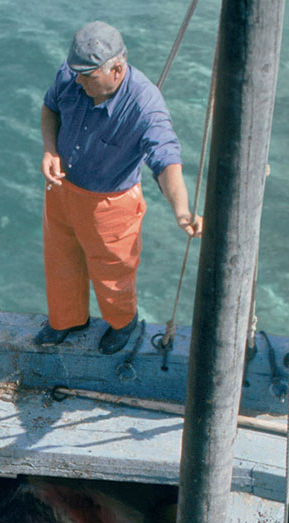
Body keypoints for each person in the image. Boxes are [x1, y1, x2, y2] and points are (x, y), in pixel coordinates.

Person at [36, 21, 203, 354]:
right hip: (62, 191)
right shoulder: (72, 75)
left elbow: (166, 160)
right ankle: (68, 320)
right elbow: (50, 109)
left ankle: (123, 323)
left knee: (113, 273)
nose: (79, 82)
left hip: (111, 204)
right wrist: (50, 149)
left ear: (117, 68)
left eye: (88, 76)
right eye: (76, 73)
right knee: (60, 260)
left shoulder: (145, 107)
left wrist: (182, 211)